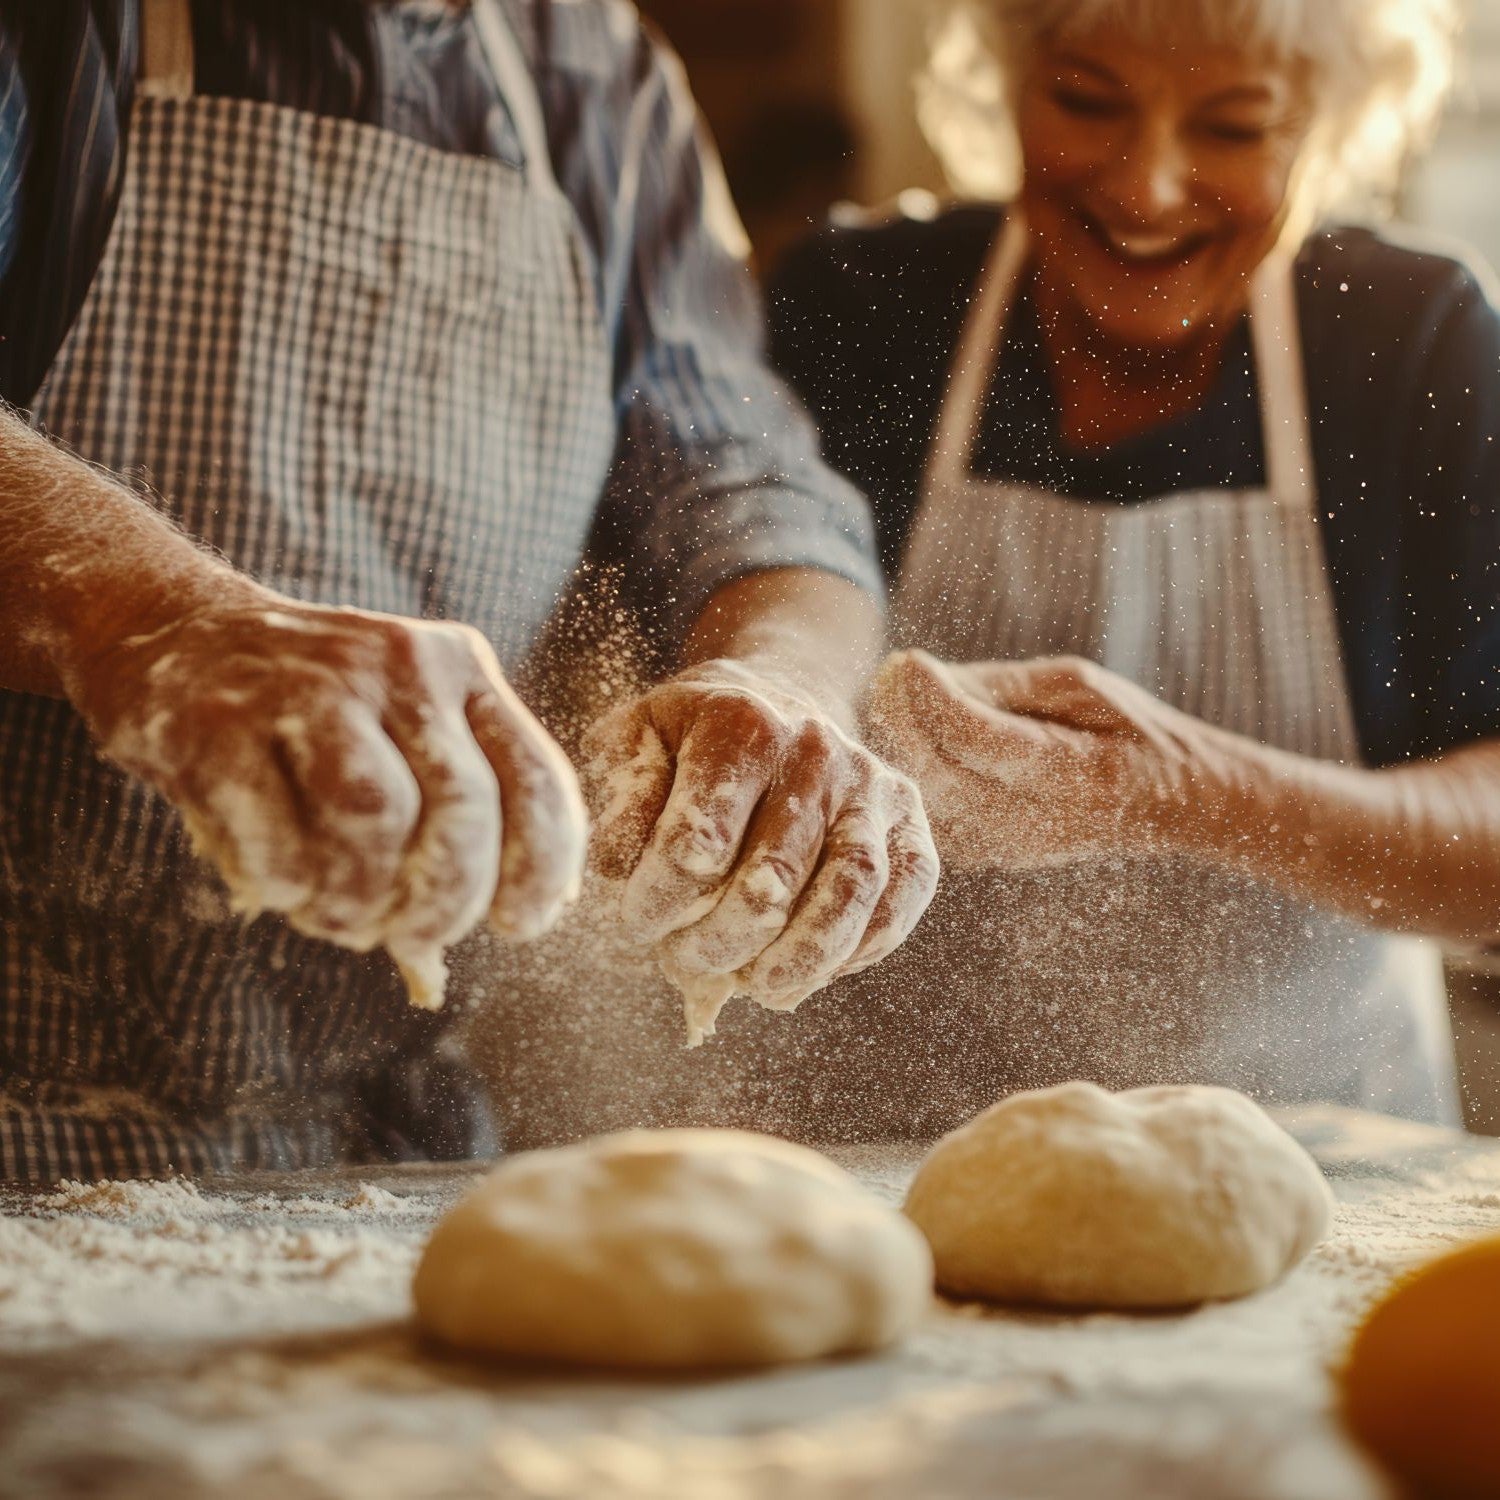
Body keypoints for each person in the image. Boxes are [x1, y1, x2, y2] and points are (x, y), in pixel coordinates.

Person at [0, 0, 937, 1181]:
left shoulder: (593, 70)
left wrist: (783, 674)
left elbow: (746, 478)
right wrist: (149, 618)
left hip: (382, 1158)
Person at [768, 0, 1500, 1131]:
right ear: (1009, 81)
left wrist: (1181, 791)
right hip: (854, 1158)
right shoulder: (859, 306)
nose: (1147, 185)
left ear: (1327, 127)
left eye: (1235, 127)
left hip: (1307, 1159)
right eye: (1086, 101)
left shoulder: (1409, 342)